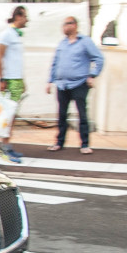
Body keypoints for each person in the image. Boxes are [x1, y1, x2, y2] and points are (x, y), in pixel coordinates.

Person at [45, 16, 104, 154]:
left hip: (79, 83)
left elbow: (99, 58)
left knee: (82, 114)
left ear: (75, 25)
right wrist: (50, 81)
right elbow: (55, 63)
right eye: (63, 24)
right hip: (62, 85)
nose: (64, 27)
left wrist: (92, 75)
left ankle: (84, 144)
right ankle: (59, 142)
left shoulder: (85, 42)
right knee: (62, 115)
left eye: (67, 24)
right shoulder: (62, 44)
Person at [0, 6, 29, 163]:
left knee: (12, 115)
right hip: (10, 80)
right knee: (8, 114)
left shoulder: (15, 35)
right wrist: (2, 79)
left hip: (17, 80)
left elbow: (16, 61)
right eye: (25, 17)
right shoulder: (6, 34)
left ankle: (6, 146)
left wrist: (23, 81)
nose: (27, 20)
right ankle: (4, 148)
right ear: (18, 17)